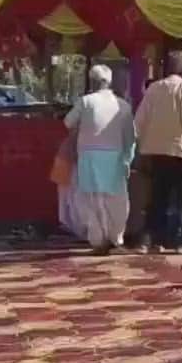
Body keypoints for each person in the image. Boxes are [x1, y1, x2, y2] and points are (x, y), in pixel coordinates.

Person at [134, 51, 182, 253]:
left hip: (156, 151)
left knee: (159, 196)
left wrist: (142, 146)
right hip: (181, 151)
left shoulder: (153, 88)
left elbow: (139, 121)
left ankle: (150, 240)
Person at [64, 66, 136, 255]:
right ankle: (115, 238)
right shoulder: (123, 105)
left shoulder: (86, 101)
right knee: (116, 199)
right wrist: (128, 159)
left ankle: (98, 240)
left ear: (92, 81)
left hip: (89, 156)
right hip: (115, 157)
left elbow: (68, 122)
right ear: (109, 81)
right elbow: (131, 137)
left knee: (92, 199)